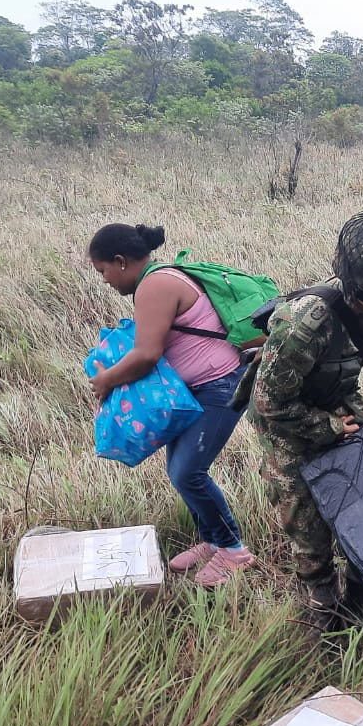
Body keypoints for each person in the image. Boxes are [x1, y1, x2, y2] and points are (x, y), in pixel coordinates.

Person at [245, 209, 363, 634]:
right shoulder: (305, 324)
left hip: (338, 396)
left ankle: (362, 590)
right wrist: (329, 428)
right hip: (287, 420)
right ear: (350, 280)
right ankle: (321, 599)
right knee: (304, 518)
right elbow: (270, 404)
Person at [88, 222, 259, 588]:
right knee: (179, 469)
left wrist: (106, 380)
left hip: (219, 385)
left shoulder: (155, 285)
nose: (104, 280)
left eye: (102, 270)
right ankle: (213, 541)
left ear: (120, 261)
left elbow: (146, 355)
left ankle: (233, 549)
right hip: (197, 389)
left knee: (188, 472)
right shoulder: (159, 279)